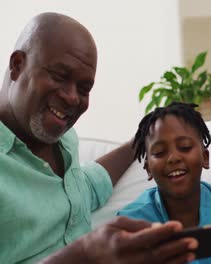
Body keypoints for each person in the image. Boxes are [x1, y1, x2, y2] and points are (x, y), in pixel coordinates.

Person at [0, 13, 196, 264]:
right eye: (59, 76)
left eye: (84, 89)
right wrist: (83, 255)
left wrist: (145, 136)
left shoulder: (64, 140)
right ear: (17, 65)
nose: (72, 98)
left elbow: (85, 188)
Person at [117, 102, 211, 264]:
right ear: (148, 169)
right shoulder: (131, 222)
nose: (173, 158)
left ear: (205, 157)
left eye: (185, 147)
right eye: (159, 152)